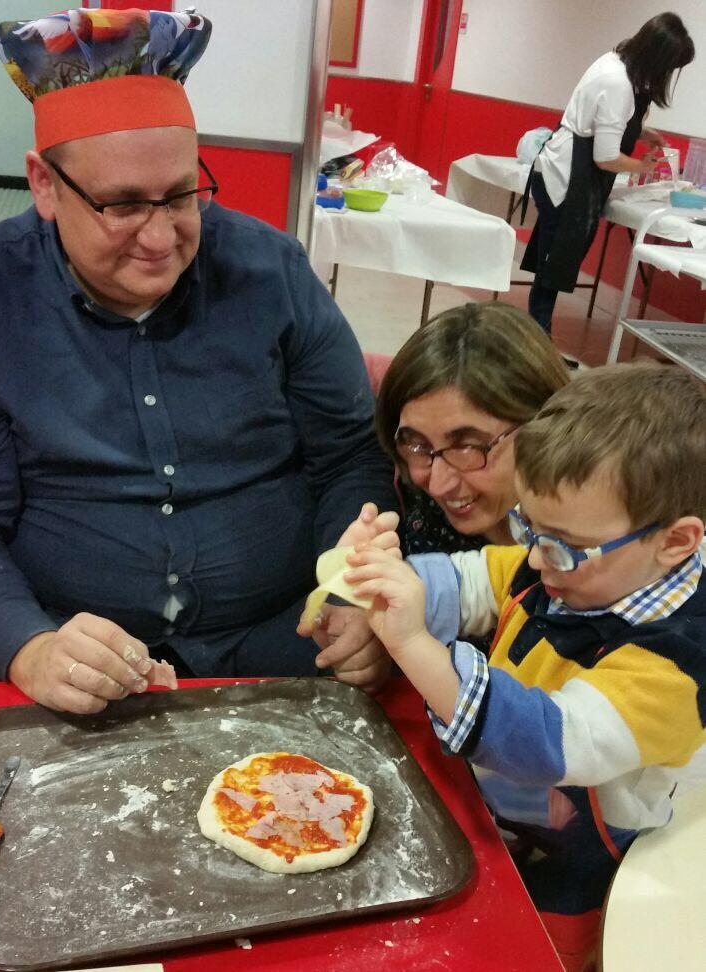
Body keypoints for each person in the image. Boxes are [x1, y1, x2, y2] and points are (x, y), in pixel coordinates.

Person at [0, 8, 397, 714]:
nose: (161, 238)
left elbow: (349, 456)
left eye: (183, 194)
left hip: (284, 646)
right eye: (123, 206)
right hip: (76, 659)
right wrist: (27, 646)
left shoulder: (271, 271)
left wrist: (354, 589)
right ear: (44, 185)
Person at [347, 363, 706, 972]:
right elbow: (475, 578)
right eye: (529, 527)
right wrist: (383, 578)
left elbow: (544, 740)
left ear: (675, 542)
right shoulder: (577, 566)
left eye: (560, 543)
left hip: (578, 869)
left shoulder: (676, 666)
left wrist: (411, 642)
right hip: (493, 812)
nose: (535, 559)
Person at [522, 12, 695, 333]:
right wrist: (643, 166)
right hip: (566, 178)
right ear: (658, 58)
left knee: (553, 265)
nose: (669, 75)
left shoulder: (613, 61)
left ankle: (537, 338)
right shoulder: (618, 82)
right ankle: (535, 341)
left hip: (562, 171)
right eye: (671, 67)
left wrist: (644, 134)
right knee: (553, 265)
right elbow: (605, 157)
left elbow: (599, 120)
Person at [374, 302, 569, 556]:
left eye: (466, 447)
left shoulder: (599, 545)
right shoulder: (408, 502)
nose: (437, 486)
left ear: (543, 429)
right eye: (418, 445)